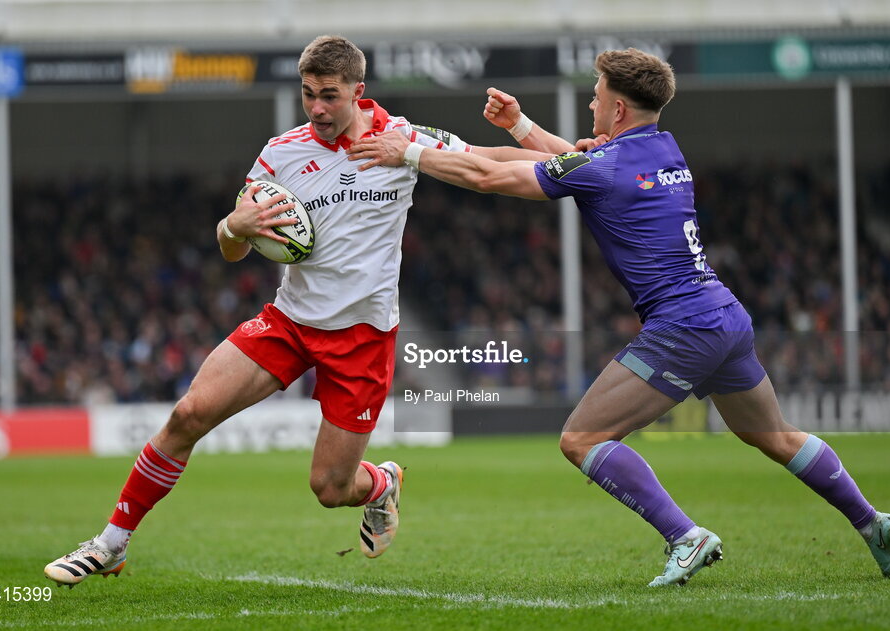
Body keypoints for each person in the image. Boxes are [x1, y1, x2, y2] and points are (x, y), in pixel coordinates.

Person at [347, 47, 890, 587]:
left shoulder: (606, 165)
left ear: (617, 108)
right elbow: (577, 164)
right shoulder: (664, 148)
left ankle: (684, 536)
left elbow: (493, 178)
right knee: (775, 436)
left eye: (596, 97)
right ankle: (872, 522)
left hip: (682, 326)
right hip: (724, 315)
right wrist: (520, 127)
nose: (591, 106)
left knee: (581, 438)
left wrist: (411, 154)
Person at [44, 35, 551, 588]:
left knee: (331, 489)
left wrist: (572, 157)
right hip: (288, 323)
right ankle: (110, 543)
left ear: (358, 91)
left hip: (362, 339)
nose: (316, 108)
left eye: (329, 95)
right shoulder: (280, 152)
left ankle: (380, 484)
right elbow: (235, 240)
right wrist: (231, 228)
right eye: (308, 94)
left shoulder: (404, 138)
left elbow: (488, 160)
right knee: (188, 415)